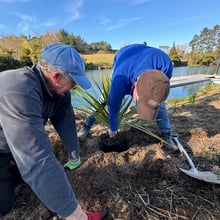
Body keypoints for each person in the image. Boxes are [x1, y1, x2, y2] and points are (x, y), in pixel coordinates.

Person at [0, 43, 106, 219]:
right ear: (57, 77)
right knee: (5, 204)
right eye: (73, 83)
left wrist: (74, 155)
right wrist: (78, 216)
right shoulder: (19, 90)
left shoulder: (59, 92)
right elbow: (37, 159)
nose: (74, 88)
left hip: (15, 137)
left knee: (31, 175)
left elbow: (65, 120)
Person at [78, 44, 178, 151]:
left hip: (153, 58)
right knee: (105, 98)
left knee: (157, 101)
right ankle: (86, 126)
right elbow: (113, 105)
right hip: (124, 59)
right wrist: (113, 128)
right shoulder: (120, 79)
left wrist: (151, 100)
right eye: (138, 100)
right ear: (134, 87)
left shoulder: (166, 66)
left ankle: (166, 133)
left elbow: (159, 92)